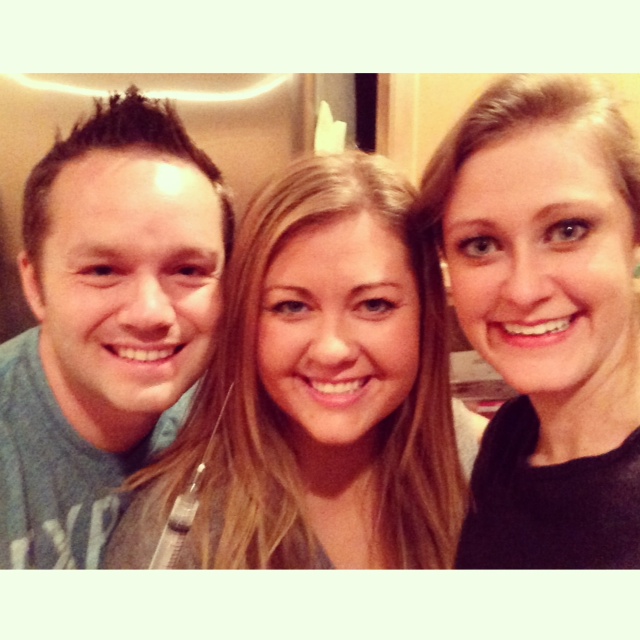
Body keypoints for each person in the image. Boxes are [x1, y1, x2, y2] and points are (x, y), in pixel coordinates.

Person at [105, 150, 476, 569]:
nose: (332, 350)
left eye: (374, 305)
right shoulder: (178, 537)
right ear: (246, 321)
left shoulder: (468, 457)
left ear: (426, 313)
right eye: (292, 307)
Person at [0, 86, 235, 569]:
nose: (150, 314)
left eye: (188, 270)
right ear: (35, 284)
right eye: (103, 270)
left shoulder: (234, 413)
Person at [415, 73, 640, 568]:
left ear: (634, 234)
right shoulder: (511, 436)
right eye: (481, 245)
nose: (523, 290)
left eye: (568, 230)